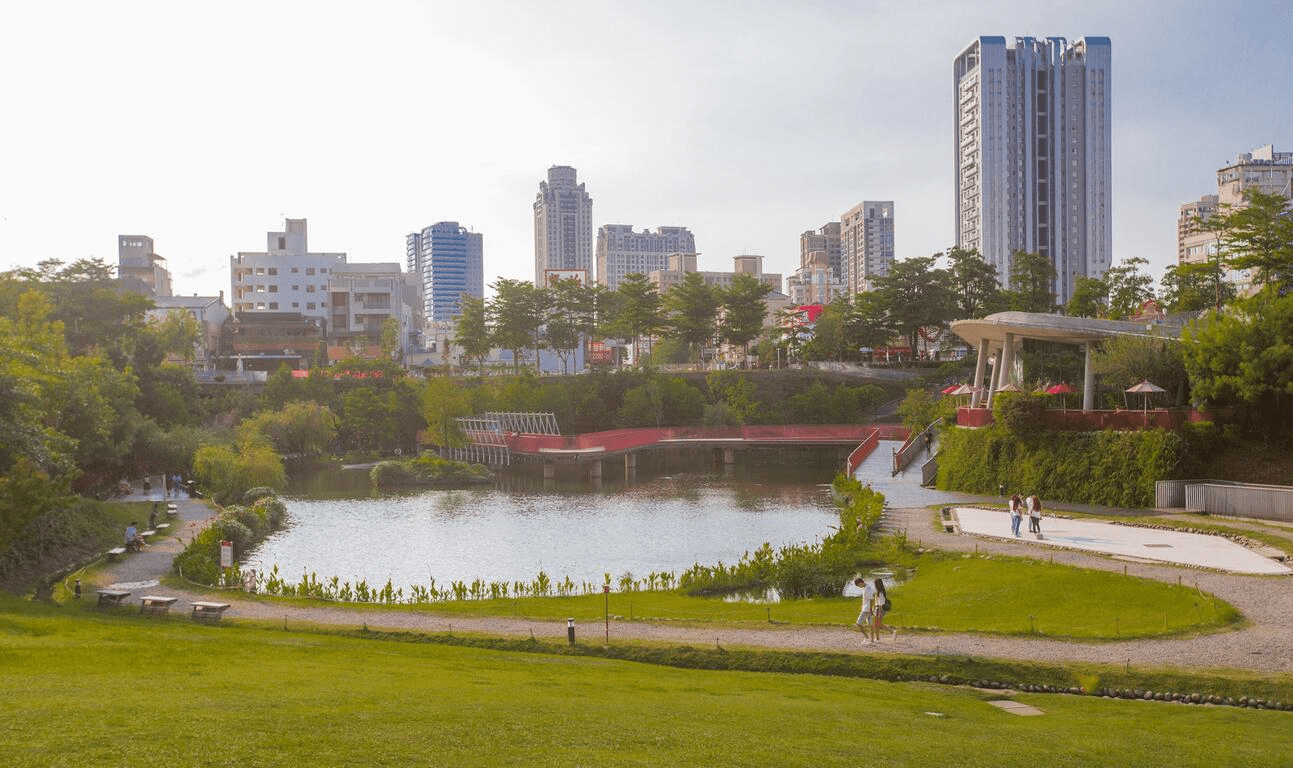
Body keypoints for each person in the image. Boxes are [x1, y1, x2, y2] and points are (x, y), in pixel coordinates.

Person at [854, 577, 876, 644]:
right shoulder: (866, 587)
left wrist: (871, 608)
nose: (859, 587)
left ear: (860, 583)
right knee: (870, 624)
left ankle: (867, 638)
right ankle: (871, 640)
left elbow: (871, 599)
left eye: (858, 585)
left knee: (858, 623)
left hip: (867, 609)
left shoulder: (868, 588)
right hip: (866, 607)